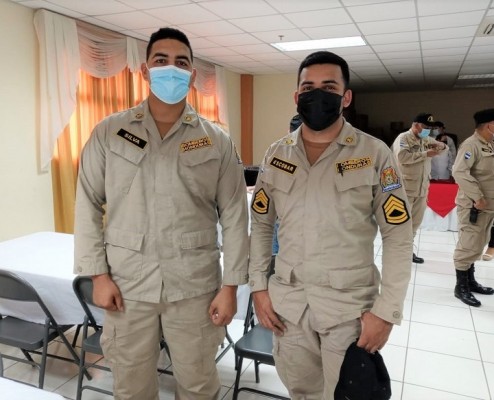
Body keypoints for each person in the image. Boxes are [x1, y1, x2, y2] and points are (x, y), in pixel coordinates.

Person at [73, 27, 249, 400]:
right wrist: (97, 275)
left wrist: (231, 287)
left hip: (195, 287)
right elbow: (88, 202)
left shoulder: (216, 140)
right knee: (132, 387)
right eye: (161, 60)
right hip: (127, 285)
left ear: (193, 75)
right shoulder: (110, 132)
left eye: (181, 62)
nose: (171, 68)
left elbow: (235, 214)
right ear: (144, 70)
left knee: (199, 385)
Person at [248, 50, 413, 400]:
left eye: (328, 86)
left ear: (346, 96)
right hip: (289, 307)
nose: (316, 94)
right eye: (308, 87)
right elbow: (262, 225)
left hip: (349, 310)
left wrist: (386, 312)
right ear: (296, 97)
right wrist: (259, 288)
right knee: (302, 392)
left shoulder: (374, 153)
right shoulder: (276, 155)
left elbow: (398, 235)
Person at [392, 113, 449, 264]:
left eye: (430, 128)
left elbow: (444, 148)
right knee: (400, 224)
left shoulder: (425, 139)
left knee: (414, 224)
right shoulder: (403, 138)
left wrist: (441, 145)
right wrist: (425, 154)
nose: (427, 130)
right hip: (405, 189)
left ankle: (408, 252)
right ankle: (396, 253)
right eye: (425, 127)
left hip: (422, 189)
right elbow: (402, 157)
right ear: (415, 125)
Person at [452, 108, 494, 307]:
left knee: (478, 243)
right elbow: (459, 172)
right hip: (474, 206)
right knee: (468, 244)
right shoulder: (471, 145)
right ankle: (460, 288)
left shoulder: (489, 144)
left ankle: (470, 281)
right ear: (489, 125)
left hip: (488, 207)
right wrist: (477, 197)